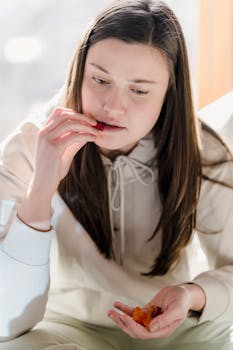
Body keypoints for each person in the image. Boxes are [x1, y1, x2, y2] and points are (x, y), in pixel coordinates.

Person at [0, 0, 232, 349]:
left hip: (183, 331)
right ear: (78, 71)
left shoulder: (203, 153)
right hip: (71, 327)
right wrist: (41, 191)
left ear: (169, 95)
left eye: (138, 90)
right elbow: (6, 320)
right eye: (99, 80)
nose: (112, 106)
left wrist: (192, 295)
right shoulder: (32, 146)